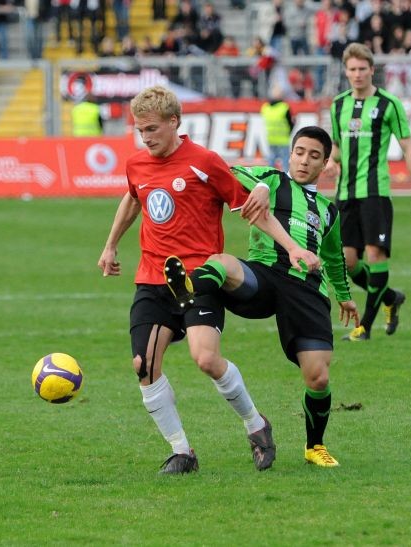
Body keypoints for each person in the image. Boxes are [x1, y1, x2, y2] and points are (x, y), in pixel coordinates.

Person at [97, 86, 319, 475]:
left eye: (152, 129)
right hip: (153, 278)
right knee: (143, 364)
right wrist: (111, 245)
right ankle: (182, 451)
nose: (145, 137)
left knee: (206, 359)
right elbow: (133, 197)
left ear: (174, 122)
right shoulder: (137, 164)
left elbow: (253, 209)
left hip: (199, 277)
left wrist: (292, 247)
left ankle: (256, 425)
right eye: (140, 130)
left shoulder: (204, 162)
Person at [163, 126, 359, 467]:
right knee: (222, 262)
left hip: (306, 289)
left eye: (314, 156)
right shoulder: (272, 179)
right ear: (290, 154)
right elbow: (226, 172)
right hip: (263, 276)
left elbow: (333, 257)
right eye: (299, 152)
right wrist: (263, 186)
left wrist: (345, 296)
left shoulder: (329, 211)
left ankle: (314, 446)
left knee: (318, 377)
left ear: (325, 163)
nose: (304, 161)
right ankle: (187, 291)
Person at [324, 42, 411, 342]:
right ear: (346, 72)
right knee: (347, 261)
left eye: (362, 68)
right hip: (345, 194)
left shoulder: (389, 104)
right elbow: (337, 147)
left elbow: (408, 148)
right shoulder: (338, 105)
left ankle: (365, 328)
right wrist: (331, 162)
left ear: (372, 70)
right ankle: (390, 298)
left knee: (374, 254)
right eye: (352, 69)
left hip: (375, 193)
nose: (357, 74)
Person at [260, 85, 294, 171]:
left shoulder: (265, 107)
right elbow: (290, 122)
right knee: (285, 161)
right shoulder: (284, 107)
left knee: (271, 160)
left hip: (271, 138)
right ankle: (286, 177)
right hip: (283, 139)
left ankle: (269, 175)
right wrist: (289, 132)